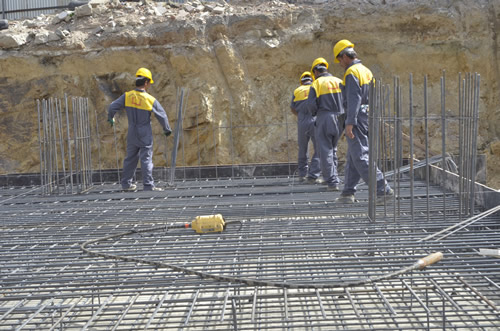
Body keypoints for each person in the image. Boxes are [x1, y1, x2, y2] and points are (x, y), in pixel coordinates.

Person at [333, 39, 393, 203]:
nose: (339, 63)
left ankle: (382, 189)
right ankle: (348, 192)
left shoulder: (351, 73)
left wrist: (350, 123)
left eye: (339, 59)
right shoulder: (366, 71)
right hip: (367, 115)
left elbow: (354, 99)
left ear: (345, 56)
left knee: (360, 156)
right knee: (354, 156)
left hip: (357, 118)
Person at [108, 67, 172, 192]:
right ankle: (148, 186)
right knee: (146, 158)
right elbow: (162, 115)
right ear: (146, 82)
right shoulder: (150, 99)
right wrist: (166, 129)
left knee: (130, 158)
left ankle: (126, 185)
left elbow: (112, 107)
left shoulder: (127, 96)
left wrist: (111, 118)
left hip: (132, 131)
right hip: (144, 132)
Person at [305, 57, 344, 191]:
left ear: (315, 71)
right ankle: (334, 177)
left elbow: (310, 104)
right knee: (333, 149)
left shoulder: (317, 84)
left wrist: (316, 114)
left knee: (325, 150)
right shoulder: (339, 81)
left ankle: (332, 182)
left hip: (325, 117)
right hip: (340, 118)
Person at [290, 71, 322, 183]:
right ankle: (313, 174)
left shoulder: (297, 91)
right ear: (311, 79)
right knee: (319, 149)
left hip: (302, 122)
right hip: (314, 121)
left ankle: (302, 174)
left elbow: (292, 108)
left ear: (301, 81)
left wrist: (301, 116)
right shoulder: (315, 88)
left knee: (303, 149)